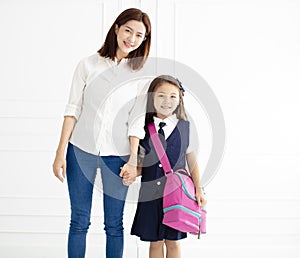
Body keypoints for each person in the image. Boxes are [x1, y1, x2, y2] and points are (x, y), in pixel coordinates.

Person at [52, 8, 151, 258]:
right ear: (116, 28)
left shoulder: (140, 75)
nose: (132, 38)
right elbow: (72, 109)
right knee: (79, 221)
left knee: (114, 225)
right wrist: (60, 152)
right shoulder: (87, 64)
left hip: (117, 156)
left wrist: (132, 160)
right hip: (80, 151)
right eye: (128, 30)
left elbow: (136, 121)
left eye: (139, 35)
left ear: (144, 40)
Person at [131, 75, 207, 258]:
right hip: (150, 195)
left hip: (176, 195)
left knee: (172, 242)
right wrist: (132, 172)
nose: (167, 101)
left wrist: (198, 188)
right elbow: (142, 163)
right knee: (154, 243)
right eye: (161, 95)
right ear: (152, 99)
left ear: (180, 100)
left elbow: (192, 161)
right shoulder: (142, 129)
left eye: (173, 96)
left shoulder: (186, 128)